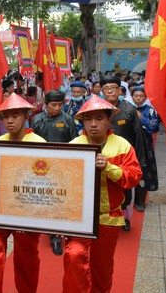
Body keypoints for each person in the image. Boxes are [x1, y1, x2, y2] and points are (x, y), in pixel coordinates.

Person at [63, 95, 142, 293]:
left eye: (99, 118)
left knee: (102, 267)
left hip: (109, 216)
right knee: (73, 256)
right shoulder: (74, 145)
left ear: (109, 120)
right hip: (78, 218)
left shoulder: (122, 145)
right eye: (88, 119)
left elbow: (133, 177)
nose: (93, 124)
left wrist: (109, 168)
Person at [0, 93, 45, 293]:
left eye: (15, 115)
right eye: (6, 116)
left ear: (25, 116)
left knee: (27, 257)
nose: (10, 120)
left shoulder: (40, 143)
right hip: (0, 209)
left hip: (27, 212)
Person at [32, 89, 77, 255]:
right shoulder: (37, 120)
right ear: (46, 104)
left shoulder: (67, 120)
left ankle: (57, 237)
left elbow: (74, 143)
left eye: (60, 105)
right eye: (53, 105)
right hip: (42, 168)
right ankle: (49, 229)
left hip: (62, 168)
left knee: (59, 200)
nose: (57, 108)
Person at [100, 76, 146, 228]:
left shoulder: (128, 109)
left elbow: (137, 135)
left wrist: (140, 159)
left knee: (125, 187)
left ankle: (125, 218)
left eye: (113, 88)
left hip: (124, 156)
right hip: (103, 156)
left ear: (120, 90)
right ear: (102, 91)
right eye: (106, 88)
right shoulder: (98, 107)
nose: (110, 91)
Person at [130, 86, 160, 208]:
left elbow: (154, 127)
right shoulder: (128, 109)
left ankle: (140, 201)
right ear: (132, 97)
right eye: (136, 96)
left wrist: (142, 119)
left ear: (145, 97)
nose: (138, 98)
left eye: (141, 96)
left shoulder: (150, 111)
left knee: (144, 171)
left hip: (145, 146)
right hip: (131, 144)